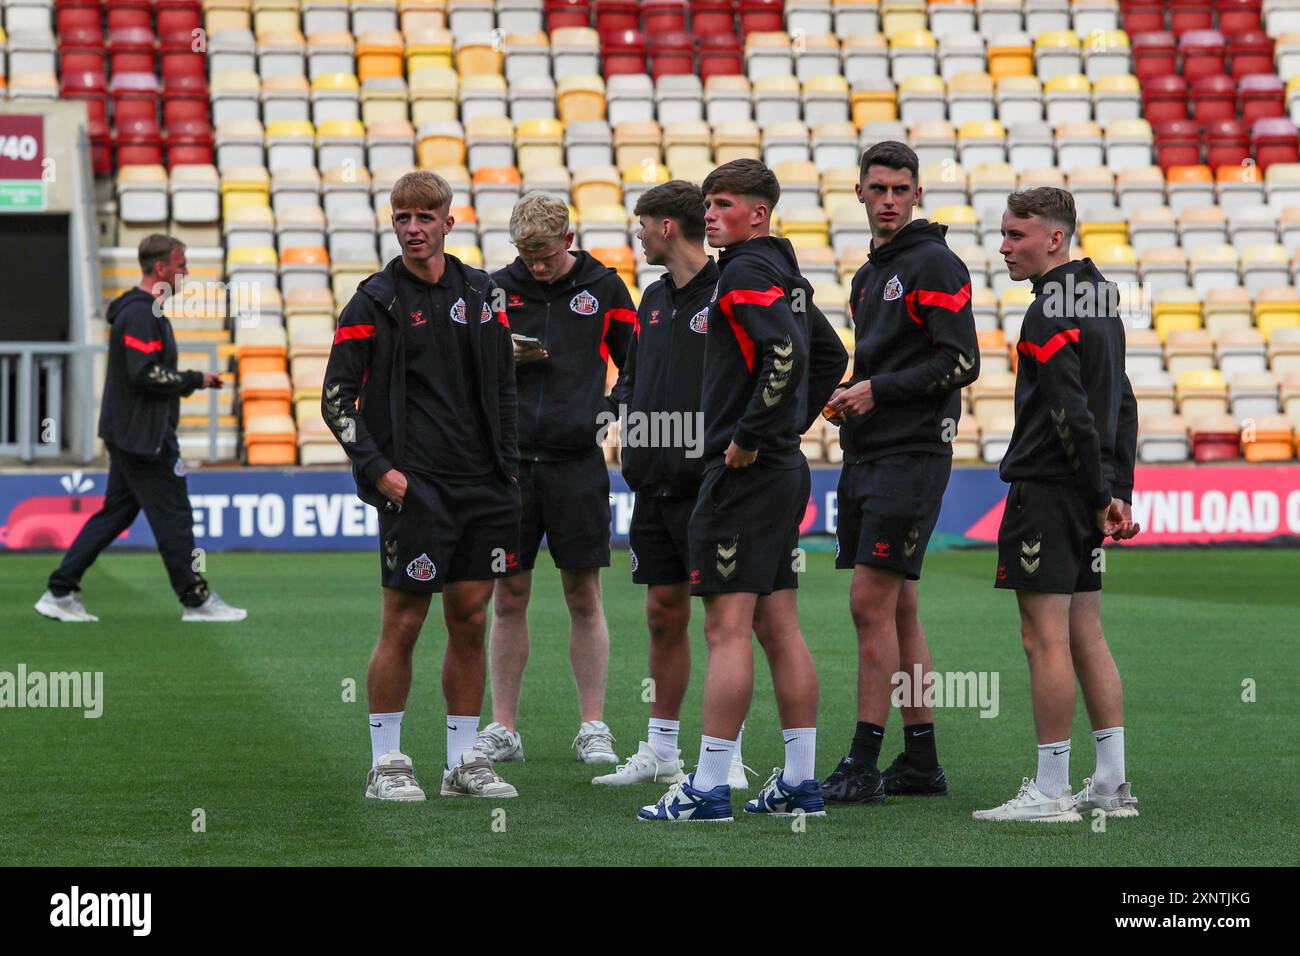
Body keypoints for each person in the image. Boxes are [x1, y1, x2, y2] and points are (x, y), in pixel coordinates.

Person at [639, 159, 847, 822]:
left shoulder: (746, 271)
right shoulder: (784, 271)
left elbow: (783, 351)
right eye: (708, 203)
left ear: (757, 214)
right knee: (778, 625)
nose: (710, 215)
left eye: (723, 204)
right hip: (781, 470)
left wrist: (754, 434)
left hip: (745, 473)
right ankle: (801, 783)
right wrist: (787, 428)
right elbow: (830, 357)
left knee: (726, 630)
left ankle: (707, 788)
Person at [322, 170, 520, 801]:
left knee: (469, 617)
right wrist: (379, 469)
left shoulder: (484, 293)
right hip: (415, 487)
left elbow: (504, 387)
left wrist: (509, 468)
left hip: (484, 485)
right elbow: (335, 398)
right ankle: (387, 763)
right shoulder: (373, 299)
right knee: (404, 621)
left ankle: (463, 762)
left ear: (447, 222)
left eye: (424, 217)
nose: (412, 229)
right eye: (402, 218)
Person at [973, 187, 1141, 822]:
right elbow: (1122, 402)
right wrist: (1115, 489)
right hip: (1089, 490)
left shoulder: (1049, 308)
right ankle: (1111, 784)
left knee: (1043, 639)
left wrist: (1099, 492)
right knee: (1084, 633)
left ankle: (1049, 791)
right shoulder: (1100, 297)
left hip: (1049, 490)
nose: (1005, 246)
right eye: (1005, 233)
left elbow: (1069, 410)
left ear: (1055, 239)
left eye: (1017, 234)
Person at [821, 141, 980, 804]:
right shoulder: (870, 273)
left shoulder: (935, 263)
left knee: (868, 603)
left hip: (911, 454)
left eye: (900, 188)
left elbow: (963, 362)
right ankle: (920, 761)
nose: (888, 198)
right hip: (873, 450)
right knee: (899, 606)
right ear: (859, 192)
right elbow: (898, 361)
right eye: (878, 187)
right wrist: (855, 393)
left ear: (916, 195)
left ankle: (862, 762)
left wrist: (876, 390)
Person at [595, 180, 749, 789]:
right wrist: (609, 415)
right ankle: (662, 749)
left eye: (642, 224)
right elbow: (633, 379)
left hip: (710, 483)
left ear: (666, 228)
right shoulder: (653, 299)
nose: (637, 235)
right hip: (652, 483)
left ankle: (726, 754)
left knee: (723, 622)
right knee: (663, 613)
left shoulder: (732, 292)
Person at [476, 192, 636, 766]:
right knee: (508, 595)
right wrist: (504, 361)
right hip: (510, 467)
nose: (535, 265)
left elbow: (636, 360)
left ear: (567, 241)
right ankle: (503, 728)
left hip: (576, 463)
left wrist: (610, 410)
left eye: (544, 254)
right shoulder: (493, 289)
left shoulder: (607, 289)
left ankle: (593, 724)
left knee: (583, 595)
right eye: (526, 254)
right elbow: (470, 365)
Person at [36, 234, 244, 624]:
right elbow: (145, 373)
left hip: (133, 433)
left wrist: (191, 380)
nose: (186, 273)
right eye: (181, 265)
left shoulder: (144, 312)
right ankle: (196, 600)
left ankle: (60, 590)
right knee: (175, 516)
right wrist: (194, 378)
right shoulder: (140, 313)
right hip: (144, 439)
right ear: (161, 269)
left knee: (115, 514)